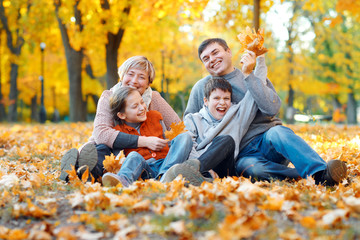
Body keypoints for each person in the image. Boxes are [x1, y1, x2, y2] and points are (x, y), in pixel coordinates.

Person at [184, 38, 347, 186]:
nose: (212, 59)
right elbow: (190, 125)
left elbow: (272, 109)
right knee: (253, 170)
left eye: (215, 52)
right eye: (206, 58)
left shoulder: (252, 75)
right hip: (239, 154)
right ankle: (315, 177)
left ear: (228, 52)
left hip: (268, 141)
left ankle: (321, 171)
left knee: (278, 132)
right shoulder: (201, 88)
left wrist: (249, 76)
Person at [60, 56, 181, 182]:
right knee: (102, 150)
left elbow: (178, 128)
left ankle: (79, 172)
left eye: (141, 77)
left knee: (113, 155)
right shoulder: (109, 97)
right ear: (122, 76)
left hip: (143, 156)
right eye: (130, 74)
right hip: (114, 148)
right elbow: (101, 134)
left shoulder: (154, 98)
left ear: (148, 83)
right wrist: (144, 141)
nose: (134, 81)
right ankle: (80, 171)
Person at [101, 87, 203, 187]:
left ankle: (165, 176)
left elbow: (166, 140)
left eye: (142, 102)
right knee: (133, 155)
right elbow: (119, 159)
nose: (142, 107)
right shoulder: (119, 132)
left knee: (184, 137)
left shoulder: (155, 117)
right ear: (122, 115)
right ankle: (123, 180)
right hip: (144, 171)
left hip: (166, 163)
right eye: (135, 106)